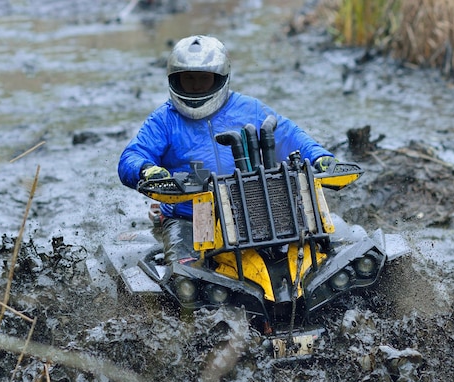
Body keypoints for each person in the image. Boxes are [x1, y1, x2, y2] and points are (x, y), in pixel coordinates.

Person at [118, 35, 335, 265]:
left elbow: (291, 137)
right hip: (191, 219)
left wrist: (320, 156)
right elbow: (131, 157)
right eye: (187, 78)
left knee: (315, 258)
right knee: (186, 279)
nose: (195, 85)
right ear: (174, 79)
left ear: (221, 78)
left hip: (257, 211)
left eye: (204, 78)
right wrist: (146, 169)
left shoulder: (250, 108)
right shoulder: (163, 120)